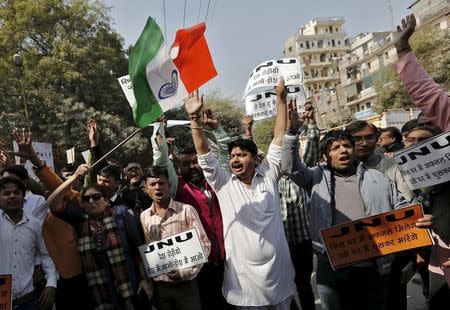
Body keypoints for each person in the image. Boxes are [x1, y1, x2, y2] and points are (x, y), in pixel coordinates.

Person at [282, 100, 409, 310]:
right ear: (325, 155)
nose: (343, 151)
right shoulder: (314, 178)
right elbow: (289, 166)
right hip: (332, 269)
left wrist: (417, 220)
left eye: (347, 146)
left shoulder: (377, 178)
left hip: (375, 268)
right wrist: (291, 133)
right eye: (335, 148)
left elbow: (401, 207)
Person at [186, 82, 295, 309]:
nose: (235, 159)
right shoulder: (223, 183)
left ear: (255, 159)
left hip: (279, 276)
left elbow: (278, 136)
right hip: (245, 285)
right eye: (233, 155)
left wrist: (281, 100)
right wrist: (194, 120)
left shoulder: (268, 173)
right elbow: (203, 153)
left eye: (242, 155)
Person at [151, 112, 231, 309]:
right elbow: (161, 161)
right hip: (199, 267)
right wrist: (158, 128)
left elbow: (225, 152)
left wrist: (217, 128)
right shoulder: (178, 188)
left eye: (195, 161)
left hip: (230, 260)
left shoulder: (217, 181)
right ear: (179, 166)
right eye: (185, 164)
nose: (192, 167)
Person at [47, 164, 152, 309]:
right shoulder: (79, 219)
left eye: (96, 197)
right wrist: (75, 177)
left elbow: (138, 247)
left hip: (130, 284)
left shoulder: (121, 214)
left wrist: (144, 279)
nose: (91, 201)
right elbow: (52, 203)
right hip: (99, 291)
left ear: (105, 199)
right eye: (86, 199)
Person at [140, 166, 210, 310]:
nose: (157, 187)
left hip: (186, 286)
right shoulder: (144, 216)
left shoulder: (186, 210)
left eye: (161, 183)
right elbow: (148, 250)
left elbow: (204, 244)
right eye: (153, 184)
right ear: (146, 189)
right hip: (161, 289)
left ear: (169, 185)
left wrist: (184, 272)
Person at [0, 177, 57, 310]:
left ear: (24, 196)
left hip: (28, 301)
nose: (12, 196)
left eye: (16, 192)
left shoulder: (34, 224)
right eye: (6, 193)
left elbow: (45, 255)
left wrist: (51, 284)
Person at [345, 121, 415, 203]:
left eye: (369, 137)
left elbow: (409, 200)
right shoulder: (336, 170)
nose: (364, 143)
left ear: (377, 139)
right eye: (357, 139)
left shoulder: (392, 164)